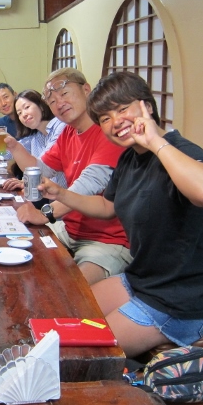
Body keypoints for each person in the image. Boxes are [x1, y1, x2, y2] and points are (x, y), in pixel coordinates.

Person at [38, 71, 203, 357]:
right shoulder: (130, 158)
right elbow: (106, 207)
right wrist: (61, 195)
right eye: (105, 118)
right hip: (140, 280)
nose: (116, 122)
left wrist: (155, 141)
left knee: (79, 351)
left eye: (123, 109)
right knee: (65, 306)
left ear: (147, 106)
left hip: (179, 301)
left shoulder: (180, 150)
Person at [14, 68, 130, 285]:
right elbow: (41, 169)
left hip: (107, 240)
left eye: (65, 93)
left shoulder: (108, 131)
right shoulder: (68, 132)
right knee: (16, 249)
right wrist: (13, 146)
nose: (59, 103)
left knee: (73, 293)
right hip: (68, 229)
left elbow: (85, 187)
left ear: (86, 89)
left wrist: (45, 214)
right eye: (52, 100)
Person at [0, 89, 67, 194]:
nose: (24, 115)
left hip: (68, 198)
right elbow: (6, 154)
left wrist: (15, 147)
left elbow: (45, 169)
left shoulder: (61, 126)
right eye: (19, 113)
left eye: (27, 107)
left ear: (41, 106)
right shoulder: (36, 136)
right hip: (50, 198)